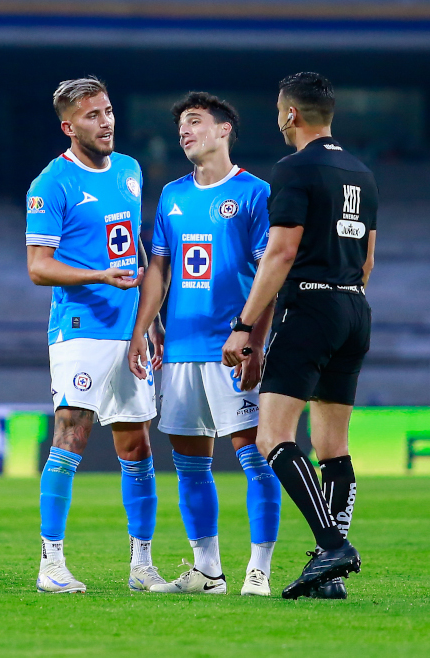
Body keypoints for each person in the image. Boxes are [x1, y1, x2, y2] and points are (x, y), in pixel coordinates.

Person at [222, 72, 378, 600]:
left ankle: (332, 547)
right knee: (333, 446)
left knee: (272, 438)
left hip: (310, 306)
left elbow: (282, 252)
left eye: (278, 109)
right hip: (354, 308)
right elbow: (368, 260)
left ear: (291, 113)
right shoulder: (362, 174)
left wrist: (245, 326)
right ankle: (328, 578)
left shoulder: (294, 168)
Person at [129, 92, 282, 596]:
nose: (185, 132)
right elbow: (158, 269)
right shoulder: (172, 194)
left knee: (254, 457)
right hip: (180, 351)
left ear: (223, 130)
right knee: (189, 463)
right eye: (181, 126)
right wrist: (144, 328)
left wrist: (255, 341)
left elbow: (269, 275)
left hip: (230, 349)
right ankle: (208, 572)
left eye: (195, 122)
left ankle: (259, 570)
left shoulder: (255, 193)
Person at [25, 76, 165, 594]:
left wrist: (152, 320)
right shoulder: (51, 184)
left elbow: (137, 247)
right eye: (92, 115)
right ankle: (51, 563)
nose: (105, 122)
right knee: (72, 433)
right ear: (69, 127)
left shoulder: (129, 170)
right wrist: (100, 276)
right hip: (81, 328)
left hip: (130, 330)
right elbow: (39, 267)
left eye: (107, 111)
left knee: (137, 444)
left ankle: (142, 565)